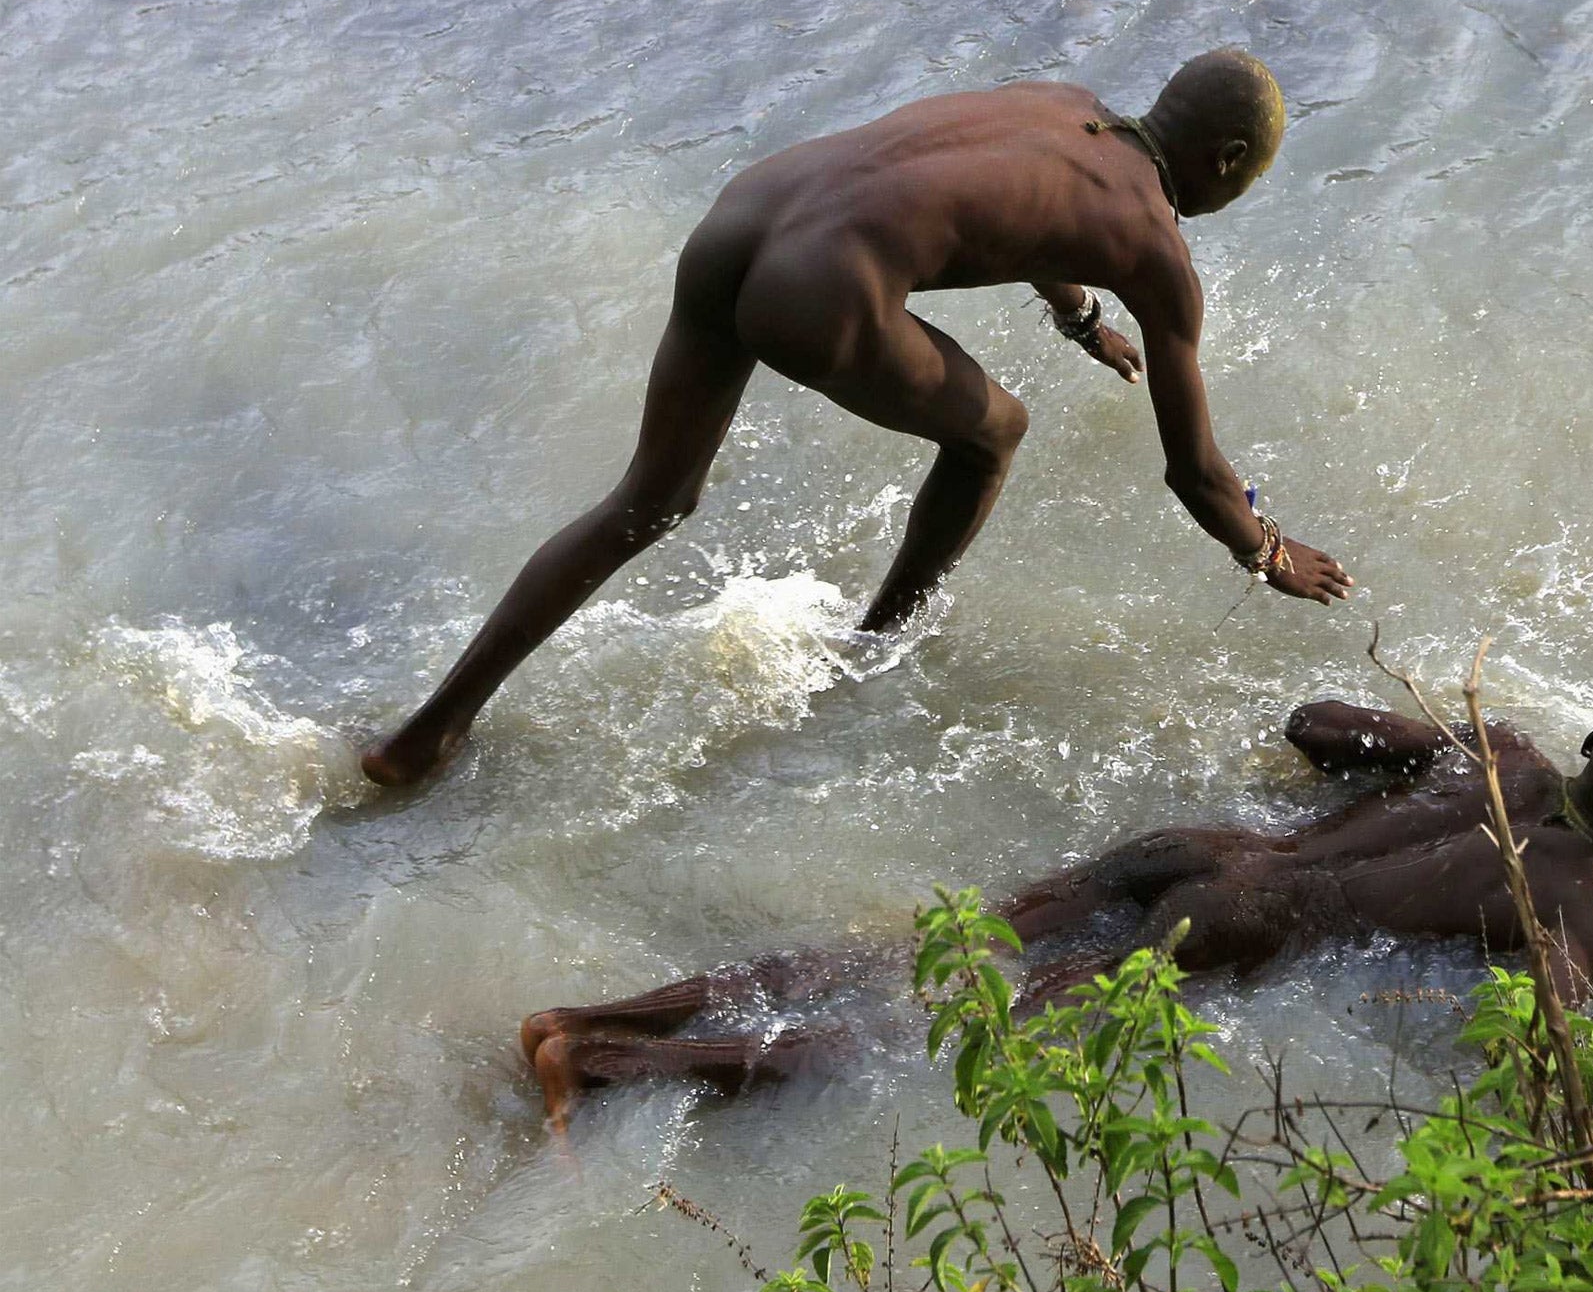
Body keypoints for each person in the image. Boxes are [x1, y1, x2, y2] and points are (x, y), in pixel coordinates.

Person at [362, 50, 1354, 787]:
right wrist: (1267, 551)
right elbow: (1195, 473)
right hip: (818, 287)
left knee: (647, 501)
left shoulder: (1060, 102)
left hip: (746, 214)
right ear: (1226, 161)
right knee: (993, 431)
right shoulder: (1157, 250)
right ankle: (873, 653)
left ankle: (424, 737)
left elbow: (1009, 201)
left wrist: (1076, 316)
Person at [517, 700, 1593, 1127]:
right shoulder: (1582, 910)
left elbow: (1312, 719)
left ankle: (582, 1014)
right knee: (936, 1032)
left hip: (1190, 854)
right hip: (1241, 933)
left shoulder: (1487, 743)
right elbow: (1543, 1049)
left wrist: (1394, 763)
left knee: (902, 955)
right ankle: (609, 1066)